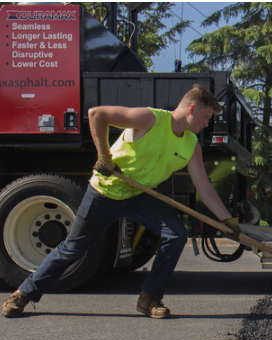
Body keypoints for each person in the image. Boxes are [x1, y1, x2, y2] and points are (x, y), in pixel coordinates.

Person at [2, 84, 241, 319]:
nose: (207, 124)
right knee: (73, 248)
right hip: (106, 192)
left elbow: (205, 188)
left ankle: (149, 298)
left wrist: (226, 220)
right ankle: (23, 294)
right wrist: (104, 156)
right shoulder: (150, 119)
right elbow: (97, 114)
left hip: (140, 195)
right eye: (206, 117)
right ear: (191, 109)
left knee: (176, 234)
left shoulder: (191, 145)